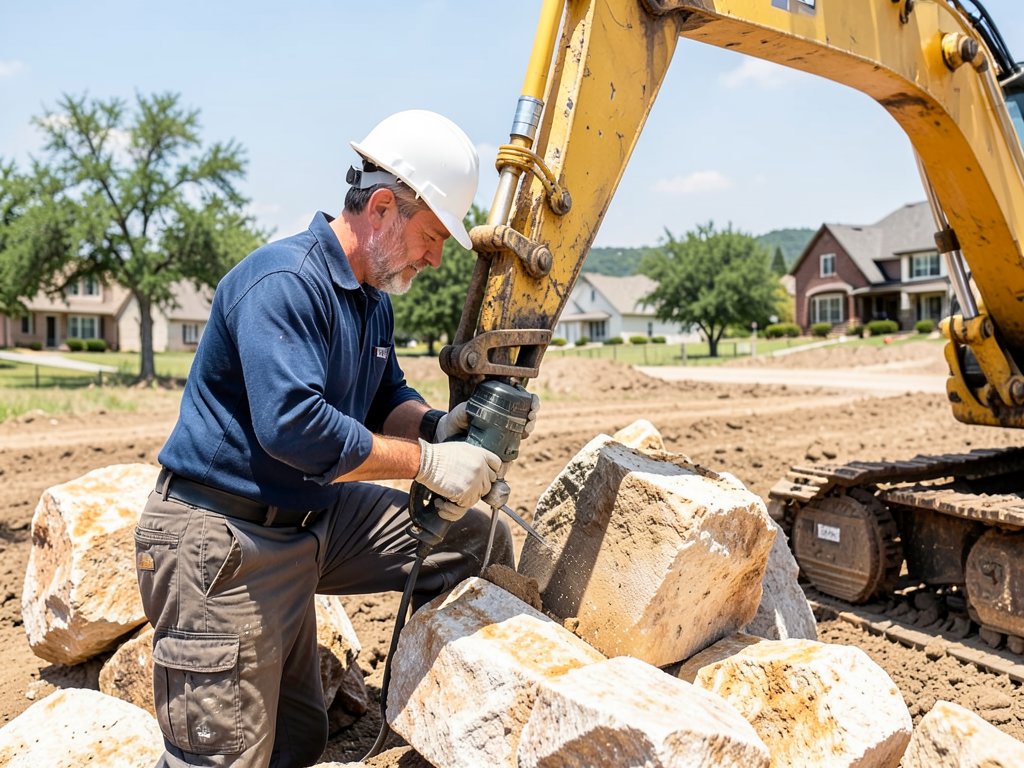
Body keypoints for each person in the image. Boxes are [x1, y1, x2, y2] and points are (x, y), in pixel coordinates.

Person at [135, 110, 531, 768]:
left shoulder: (372, 298)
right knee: (227, 758)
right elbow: (296, 429)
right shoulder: (284, 284)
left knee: (471, 536)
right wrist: (427, 462)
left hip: (309, 521)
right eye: (432, 237)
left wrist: (438, 427)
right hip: (223, 540)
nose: (435, 259)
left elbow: (386, 399)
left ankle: (449, 710)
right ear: (382, 208)